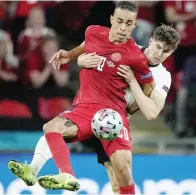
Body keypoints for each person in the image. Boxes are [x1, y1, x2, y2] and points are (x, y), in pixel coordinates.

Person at [8, 23, 180, 194]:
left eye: (166, 51)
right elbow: (93, 42)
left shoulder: (162, 77)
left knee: (119, 182)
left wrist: (132, 82)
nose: (159, 54)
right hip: (90, 108)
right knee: (53, 129)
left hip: (112, 122)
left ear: (171, 53)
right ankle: (36, 170)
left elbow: (151, 113)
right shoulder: (129, 48)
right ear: (150, 41)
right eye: (157, 47)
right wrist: (76, 57)